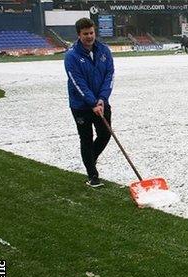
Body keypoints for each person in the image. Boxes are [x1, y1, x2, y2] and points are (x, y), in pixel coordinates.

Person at [64, 18, 114, 188]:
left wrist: (101, 100)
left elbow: (109, 76)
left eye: (91, 33)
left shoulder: (104, 51)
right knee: (86, 138)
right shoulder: (71, 56)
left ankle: (89, 160)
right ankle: (92, 175)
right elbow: (77, 82)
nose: (89, 36)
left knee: (106, 134)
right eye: (85, 34)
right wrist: (92, 102)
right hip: (81, 106)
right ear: (79, 35)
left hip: (101, 102)